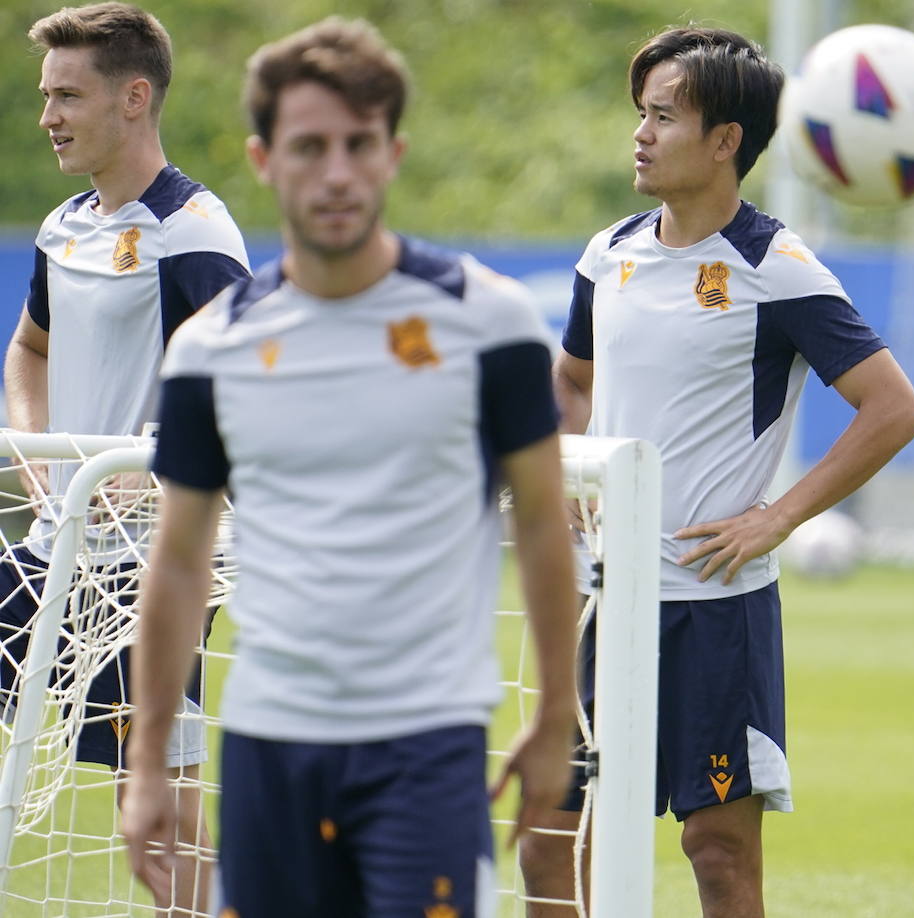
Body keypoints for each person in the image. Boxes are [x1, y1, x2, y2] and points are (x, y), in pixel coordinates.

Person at [117, 17, 578, 917]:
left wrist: (556, 713)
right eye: (309, 146)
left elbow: (541, 521)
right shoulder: (211, 349)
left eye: (359, 145)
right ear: (262, 159)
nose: (337, 172)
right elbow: (175, 562)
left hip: (427, 741)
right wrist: (147, 763)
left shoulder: (491, 322)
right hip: (267, 743)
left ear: (394, 153)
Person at [523, 26, 914, 917]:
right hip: (602, 601)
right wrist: (569, 488)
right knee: (552, 841)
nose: (641, 132)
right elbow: (573, 383)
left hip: (717, 613)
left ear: (725, 141)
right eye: (641, 114)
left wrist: (774, 518)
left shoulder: (775, 268)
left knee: (717, 852)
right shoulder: (610, 254)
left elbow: (894, 408)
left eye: (663, 116)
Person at [2, 3, 250, 912]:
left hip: (152, 575)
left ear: (134, 97)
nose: (49, 117)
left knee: (157, 828)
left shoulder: (193, 234)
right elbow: (28, 351)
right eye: (45, 96)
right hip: (52, 554)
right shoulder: (63, 227)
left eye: (67, 95)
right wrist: (35, 456)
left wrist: (154, 468)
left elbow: (246, 388)